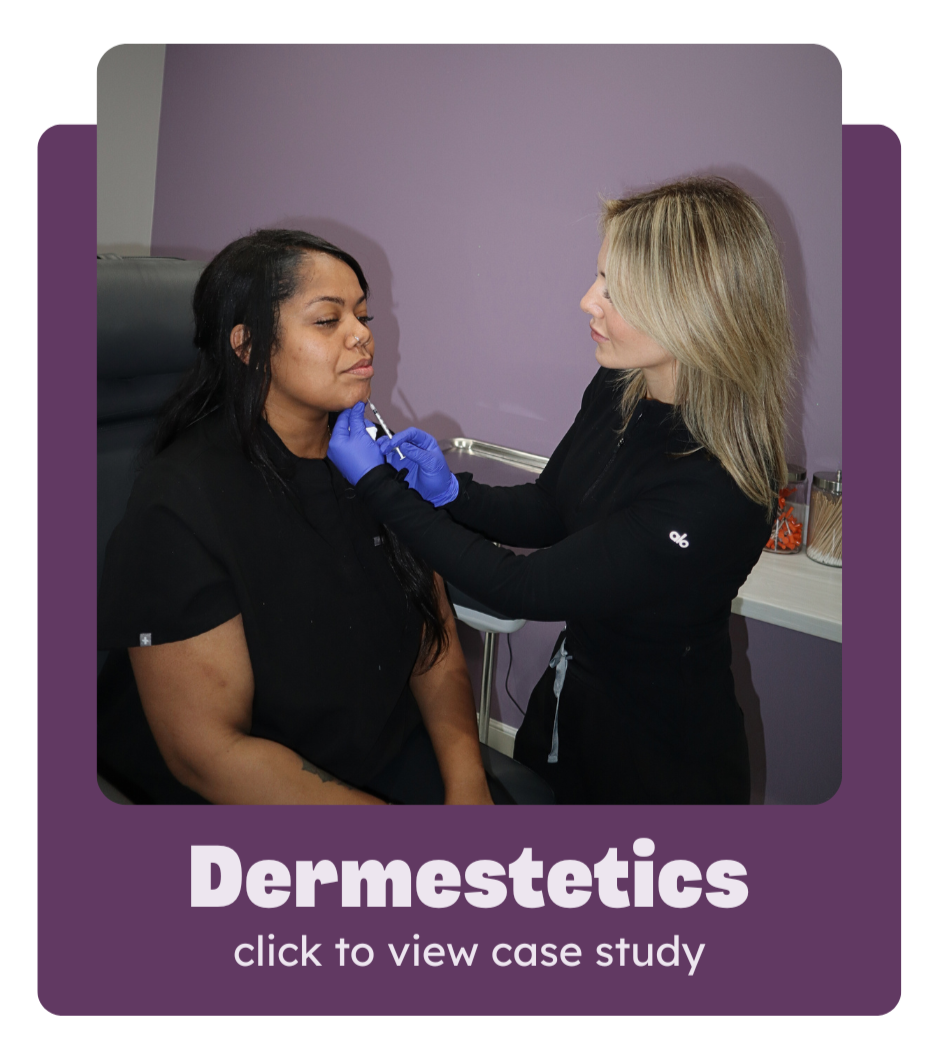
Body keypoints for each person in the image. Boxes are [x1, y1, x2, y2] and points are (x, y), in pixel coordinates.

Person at [326, 177, 794, 805]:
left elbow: (520, 587)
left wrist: (379, 486)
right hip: (570, 705)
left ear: (694, 309)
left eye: (614, 290)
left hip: (661, 759)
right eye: (598, 277)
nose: (586, 301)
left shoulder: (716, 487)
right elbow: (552, 509)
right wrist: (448, 494)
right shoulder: (622, 388)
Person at [97, 230, 497, 806]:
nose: (363, 336)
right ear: (250, 346)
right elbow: (210, 753)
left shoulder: (369, 460)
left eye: (363, 315)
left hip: (383, 755)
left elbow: (432, 639)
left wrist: (468, 789)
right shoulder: (181, 504)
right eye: (328, 320)